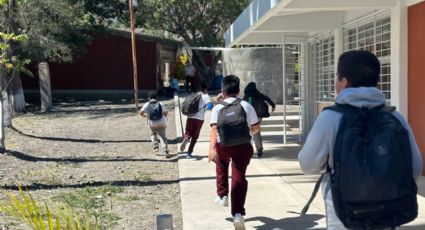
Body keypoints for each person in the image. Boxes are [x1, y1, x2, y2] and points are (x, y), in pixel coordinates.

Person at [298, 50, 423, 229]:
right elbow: (415, 168)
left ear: (345, 81)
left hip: (343, 217)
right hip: (387, 214)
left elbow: (307, 164)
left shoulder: (330, 118)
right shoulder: (395, 117)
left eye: (337, 78)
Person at [209, 75, 260, 230]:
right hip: (243, 146)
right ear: (238, 90)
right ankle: (238, 214)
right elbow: (256, 127)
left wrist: (211, 149)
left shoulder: (218, 108)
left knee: (221, 164)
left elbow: (213, 129)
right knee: (239, 176)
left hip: (223, 146)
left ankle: (222, 195)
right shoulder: (245, 105)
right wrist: (249, 134)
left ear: (222, 91)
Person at [180, 82, 213, 158]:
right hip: (199, 119)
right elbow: (210, 106)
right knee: (195, 136)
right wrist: (205, 108)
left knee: (188, 132)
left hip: (190, 117)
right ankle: (189, 153)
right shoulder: (206, 96)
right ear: (205, 89)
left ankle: (186, 138)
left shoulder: (192, 95)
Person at [243, 82, 276, 157]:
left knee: (248, 133)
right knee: (256, 132)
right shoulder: (259, 94)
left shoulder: (247, 95)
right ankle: (259, 148)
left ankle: (248, 150)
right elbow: (268, 99)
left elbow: (244, 105)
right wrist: (273, 106)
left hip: (250, 117)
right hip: (259, 117)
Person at [139, 92, 170, 158]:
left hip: (152, 123)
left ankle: (155, 146)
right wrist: (165, 116)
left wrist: (145, 116)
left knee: (153, 134)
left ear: (149, 98)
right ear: (156, 97)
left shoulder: (147, 104)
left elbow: (141, 112)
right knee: (162, 136)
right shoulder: (161, 103)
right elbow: (166, 112)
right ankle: (165, 150)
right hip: (162, 122)